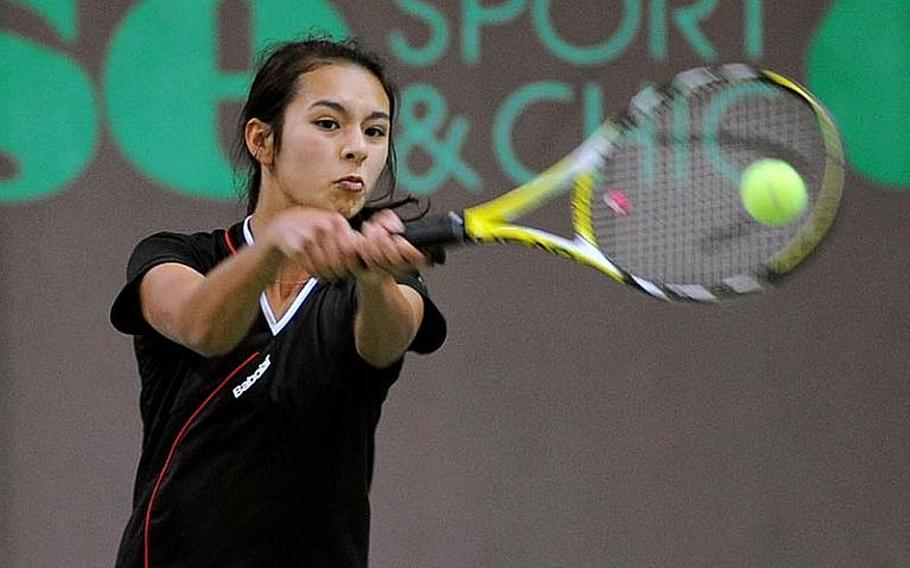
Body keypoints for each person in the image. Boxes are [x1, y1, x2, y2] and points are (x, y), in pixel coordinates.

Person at [110, 37, 446, 567]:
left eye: (375, 130)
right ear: (262, 141)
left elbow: (385, 341)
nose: (357, 147)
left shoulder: (385, 279)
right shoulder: (175, 257)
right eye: (329, 124)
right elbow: (203, 326)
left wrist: (377, 280)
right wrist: (271, 247)